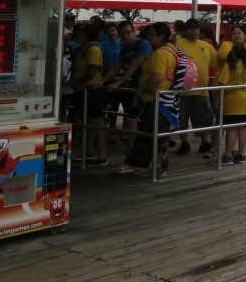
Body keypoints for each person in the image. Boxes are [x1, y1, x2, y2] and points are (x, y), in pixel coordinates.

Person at [112, 22, 177, 175]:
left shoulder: (160, 53)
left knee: (153, 136)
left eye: (152, 34)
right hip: (163, 100)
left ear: (160, 37)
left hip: (156, 100)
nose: (149, 37)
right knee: (149, 136)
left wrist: (141, 88)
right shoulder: (171, 50)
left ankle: (156, 168)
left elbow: (158, 77)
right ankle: (143, 165)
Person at [102, 20, 152, 154]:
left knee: (135, 122)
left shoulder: (143, 44)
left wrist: (118, 83)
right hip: (137, 88)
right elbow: (116, 68)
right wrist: (102, 81)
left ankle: (133, 155)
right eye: (122, 33)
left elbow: (134, 65)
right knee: (134, 121)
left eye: (128, 32)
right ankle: (133, 154)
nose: (125, 36)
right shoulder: (124, 49)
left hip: (148, 89)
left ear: (133, 31)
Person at [66, 24, 108, 165]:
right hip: (82, 91)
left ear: (85, 34)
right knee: (89, 122)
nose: (75, 35)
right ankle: (88, 152)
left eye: (78, 32)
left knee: (96, 121)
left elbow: (91, 71)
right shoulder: (82, 49)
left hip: (91, 90)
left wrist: (79, 83)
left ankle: (102, 155)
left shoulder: (93, 49)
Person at [175, 18, 218, 156]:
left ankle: (204, 142)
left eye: (196, 28)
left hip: (202, 90)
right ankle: (184, 142)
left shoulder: (206, 46)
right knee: (181, 118)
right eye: (191, 28)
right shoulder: (178, 45)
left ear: (199, 31)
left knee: (204, 118)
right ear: (185, 31)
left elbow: (217, 61)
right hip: (182, 91)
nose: (194, 31)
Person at [216, 41, 246, 164]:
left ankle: (227, 155)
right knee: (243, 127)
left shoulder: (229, 64)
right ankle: (241, 154)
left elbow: (222, 83)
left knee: (231, 128)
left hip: (232, 99)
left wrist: (218, 98)